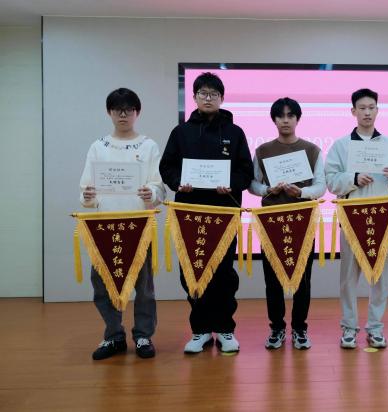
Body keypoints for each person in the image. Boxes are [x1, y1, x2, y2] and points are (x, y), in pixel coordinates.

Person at [159, 72, 253, 353]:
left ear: (222, 98)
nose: (208, 98)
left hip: (224, 213)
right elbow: (167, 167)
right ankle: (200, 330)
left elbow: (245, 171)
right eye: (203, 93)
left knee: (223, 273)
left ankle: (225, 329)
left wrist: (230, 185)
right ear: (194, 97)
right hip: (189, 213)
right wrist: (179, 183)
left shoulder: (235, 133)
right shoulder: (181, 132)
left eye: (213, 94)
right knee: (191, 271)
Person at [79, 88, 165, 360]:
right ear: (109, 112)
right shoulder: (98, 146)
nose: (123, 114)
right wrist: (88, 196)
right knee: (102, 283)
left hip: (138, 226)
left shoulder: (148, 146)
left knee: (144, 286)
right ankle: (114, 335)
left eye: (129, 109)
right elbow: (85, 190)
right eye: (118, 109)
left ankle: (143, 336)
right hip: (104, 226)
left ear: (137, 112)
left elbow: (159, 186)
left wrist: (151, 193)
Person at [325, 88, 388, 349]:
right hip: (352, 218)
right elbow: (331, 182)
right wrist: (354, 178)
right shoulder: (341, 145)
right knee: (348, 278)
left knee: (379, 278)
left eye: (371, 107)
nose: (367, 112)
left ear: (377, 110)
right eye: (362, 108)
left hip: (382, 218)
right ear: (353, 111)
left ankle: (375, 327)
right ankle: (349, 327)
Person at [249, 97, 326, 350]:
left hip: (302, 221)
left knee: (303, 278)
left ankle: (300, 329)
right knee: (272, 279)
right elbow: (252, 184)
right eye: (280, 116)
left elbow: (321, 187)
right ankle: (277, 328)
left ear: (297, 119)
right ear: (274, 119)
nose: (285, 120)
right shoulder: (262, 150)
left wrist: (301, 192)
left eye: (290, 115)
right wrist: (267, 189)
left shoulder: (312, 150)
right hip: (272, 221)